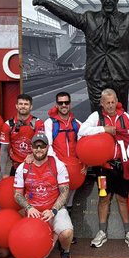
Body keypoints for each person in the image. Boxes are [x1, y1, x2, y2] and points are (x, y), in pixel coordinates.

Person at [77, 87, 129, 249]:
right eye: (108, 103)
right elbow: (82, 131)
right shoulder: (96, 116)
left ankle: (128, 232)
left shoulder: (125, 117)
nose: (111, 105)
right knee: (104, 198)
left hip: (122, 166)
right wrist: (104, 129)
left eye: (113, 102)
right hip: (103, 168)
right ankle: (102, 232)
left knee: (122, 199)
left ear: (117, 102)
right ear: (102, 104)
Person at [13, 131, 73, 258]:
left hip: (54, 209)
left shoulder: (57, 165)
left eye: (42, 146)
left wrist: (53, 211)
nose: (39, 149)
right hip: (34, 212)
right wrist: (29, 207)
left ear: (47, 147)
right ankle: (53, 238)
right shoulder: (23, 168)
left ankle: (65, 252)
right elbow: (17, 194)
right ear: (31, 148)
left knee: (66, 233)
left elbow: (65, 192)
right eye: (36, 146)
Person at [43, 91, 85, 233]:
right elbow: (48, 146)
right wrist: (59, 166)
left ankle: (68, 231)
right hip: (57, 169)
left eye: (66, 102)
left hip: (75, 169)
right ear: (56, 105)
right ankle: (56, 232)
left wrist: (84, 163)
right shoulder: (50, 123)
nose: (64, 105)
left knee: (69, 199)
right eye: (60, 103)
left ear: (70, 104)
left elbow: (85, 146)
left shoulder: (77, 124)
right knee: (58, 199)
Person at [0, 93, 43, 177]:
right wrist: (3, 172)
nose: (23, 106)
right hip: (15, 168)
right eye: (21, 104)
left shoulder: (38, 123)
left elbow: (41, 146)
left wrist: (32, 155)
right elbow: (3, 150)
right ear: (16, 106)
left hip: (34, 166)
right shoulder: (8, 125)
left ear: (31, 107)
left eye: (26, 104)